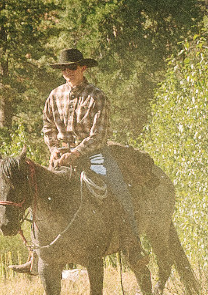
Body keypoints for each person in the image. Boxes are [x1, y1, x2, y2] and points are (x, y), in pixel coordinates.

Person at [11, 47, 137, 275]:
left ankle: (133, 245)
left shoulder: (97, 96)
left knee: (120, 190)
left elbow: (99, 135)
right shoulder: (54, 95)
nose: (68, 72)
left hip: (93, 155)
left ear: (83, 68)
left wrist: (76, 153)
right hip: (61, 159)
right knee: (36, 194)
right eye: (64, 68)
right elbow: (47, 127)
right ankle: (35, 256)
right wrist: (53, 149)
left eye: (72, 68)